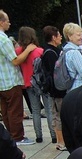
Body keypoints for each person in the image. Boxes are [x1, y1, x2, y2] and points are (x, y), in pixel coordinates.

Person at [0, 10, 37, 145]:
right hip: (10, 80)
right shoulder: (3, 39)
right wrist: (28, 50)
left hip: (1, 81)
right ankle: (18, 137)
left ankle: (10, 135)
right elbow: (15, 60)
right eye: (7, 20)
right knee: (15, 110)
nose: (9, 23)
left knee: (5, 111)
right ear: (1, 22)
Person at [15, 27, 44, 143]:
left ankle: (38, 136)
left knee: (35, 111)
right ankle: (53, 135)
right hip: (40, 83)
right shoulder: (39, 51)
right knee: (47, 108)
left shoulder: (18, 52)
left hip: (27, 83)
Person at [39, 26, 65, 147]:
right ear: (53, 37)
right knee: (58, 115)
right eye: (59, 35)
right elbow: (55, 73)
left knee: (57, 114)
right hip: (57, 90)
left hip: (55, 89)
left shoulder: (50, 50)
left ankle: (60, 140)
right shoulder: (51, 53)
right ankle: (60, 141)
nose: (61, 37)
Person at [61, 23, 82, 90]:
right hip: (80, 89)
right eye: (78, 35)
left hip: (72, 89)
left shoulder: (65, 50)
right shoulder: (75, 53)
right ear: (70, 37)